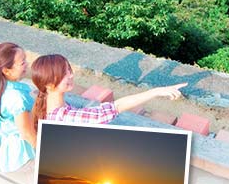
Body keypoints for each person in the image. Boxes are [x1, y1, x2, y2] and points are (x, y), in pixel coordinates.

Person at [29, 54, 187, 128]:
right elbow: (114, 108)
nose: (70, 75)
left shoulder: (48, 101)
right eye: (63, 74)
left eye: (68, 69)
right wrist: (155, 92)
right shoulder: (62, 117)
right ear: (49, 84)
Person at [0, 42, 37, 173]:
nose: (27, 64)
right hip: (21, 153)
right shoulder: (16, 98)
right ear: (6, 70)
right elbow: (27, 134)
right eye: (22, 63)